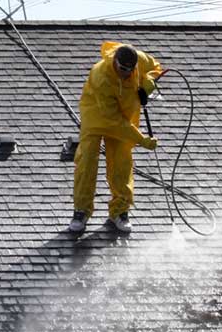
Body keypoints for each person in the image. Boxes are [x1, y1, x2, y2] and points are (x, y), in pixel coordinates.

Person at [68, 41, 163, 233]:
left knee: (122, 161)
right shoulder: (101, 76)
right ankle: (81, 211)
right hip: (96, 116)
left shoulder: (139, 59)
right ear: (116, 62)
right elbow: (114, 121)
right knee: (87, 160)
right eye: (122, 69)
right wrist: (142, 139)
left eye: (130, 70)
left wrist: (148, 82)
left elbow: (155, 67)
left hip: (125, 116)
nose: (126, 74)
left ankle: (119, 211)